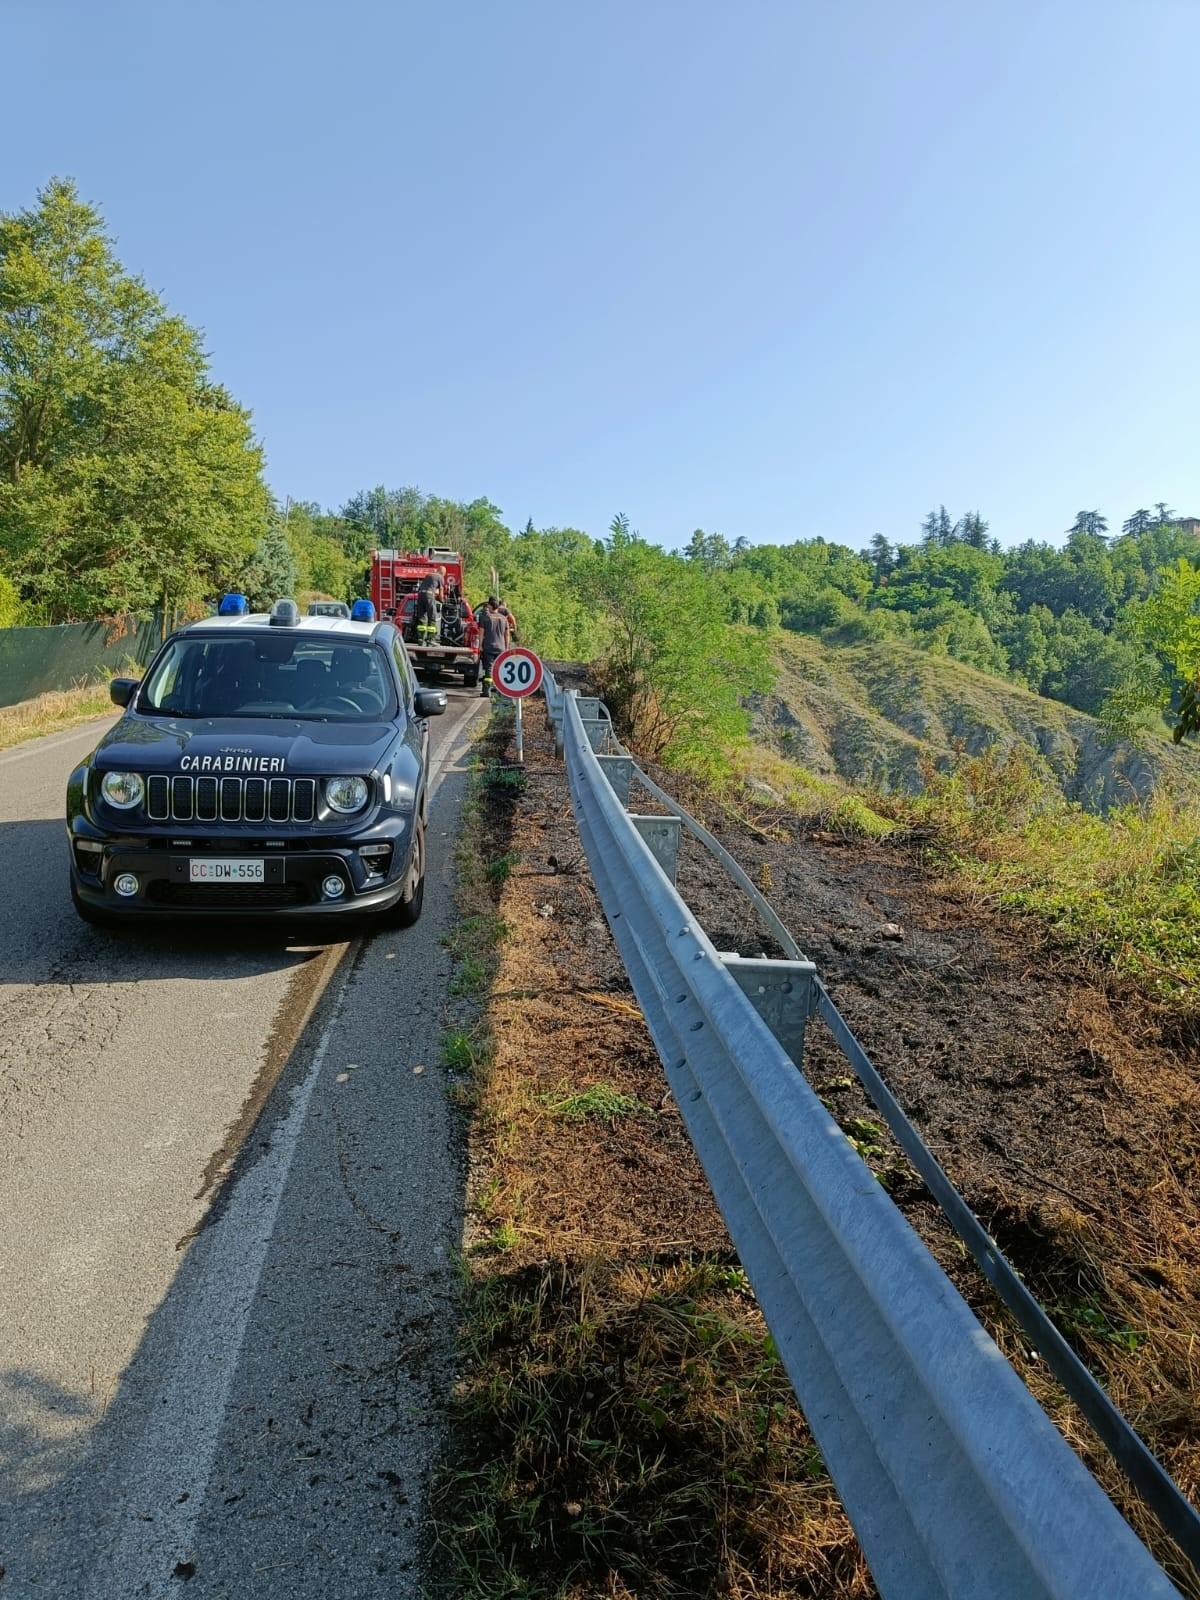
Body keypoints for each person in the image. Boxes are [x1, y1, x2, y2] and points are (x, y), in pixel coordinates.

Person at [476, 595, 510, 697]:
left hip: (488, 647)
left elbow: (481, 633)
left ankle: (487, 691)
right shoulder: (504, 619)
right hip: (501, 648)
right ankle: (499, 690)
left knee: (489, 669)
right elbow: (507, 634)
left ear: (490, 606)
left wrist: (480, 646)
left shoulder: (486, 618)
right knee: (499, 669)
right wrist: (506, 647)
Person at [412, 571, 441, 644]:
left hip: (420, 596)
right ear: (443, 573)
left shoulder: (428, 576)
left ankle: (420, 640)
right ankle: (430, 640)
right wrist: (442, 600)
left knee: (421, 617)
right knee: (432, 617)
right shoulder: (440, 577)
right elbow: (441, 591)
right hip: (429, 596)